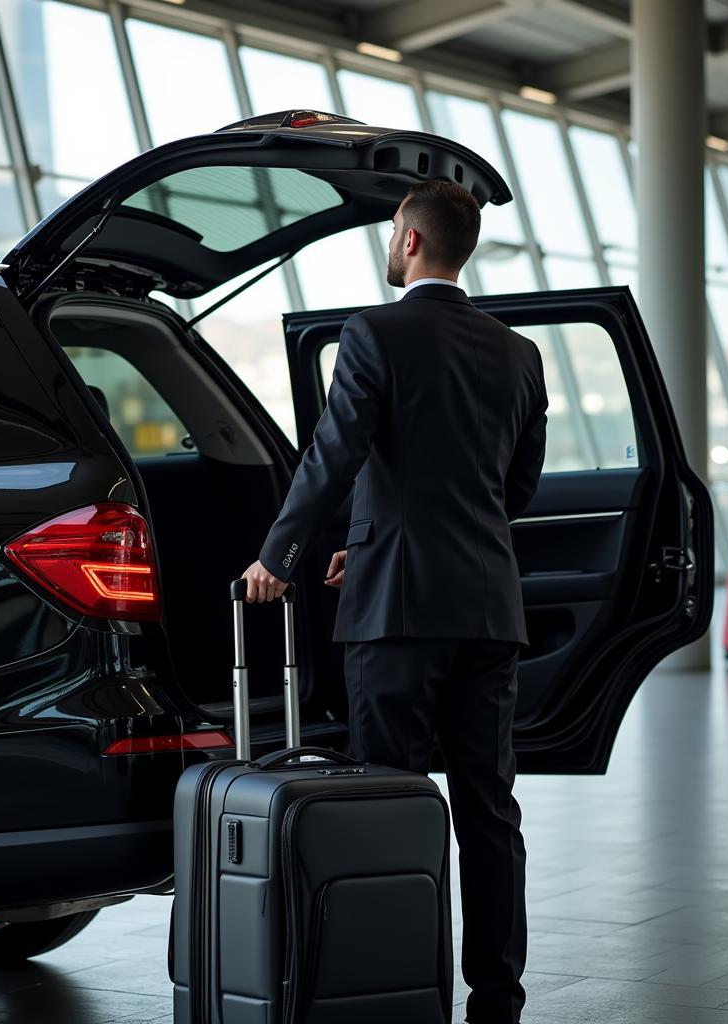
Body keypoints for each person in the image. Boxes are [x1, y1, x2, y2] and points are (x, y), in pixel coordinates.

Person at [240, 179, 548, 1024]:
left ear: (410, 242)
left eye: (389, 234)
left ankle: (400, 990)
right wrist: (377, 538)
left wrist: (280, 554)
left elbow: (332, 457)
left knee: (393, 803)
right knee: (489, 811)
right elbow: (511, 488)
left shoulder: (373, 333)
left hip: (395, 614)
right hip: (486, 605)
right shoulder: (519, 353)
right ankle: (498, 998)